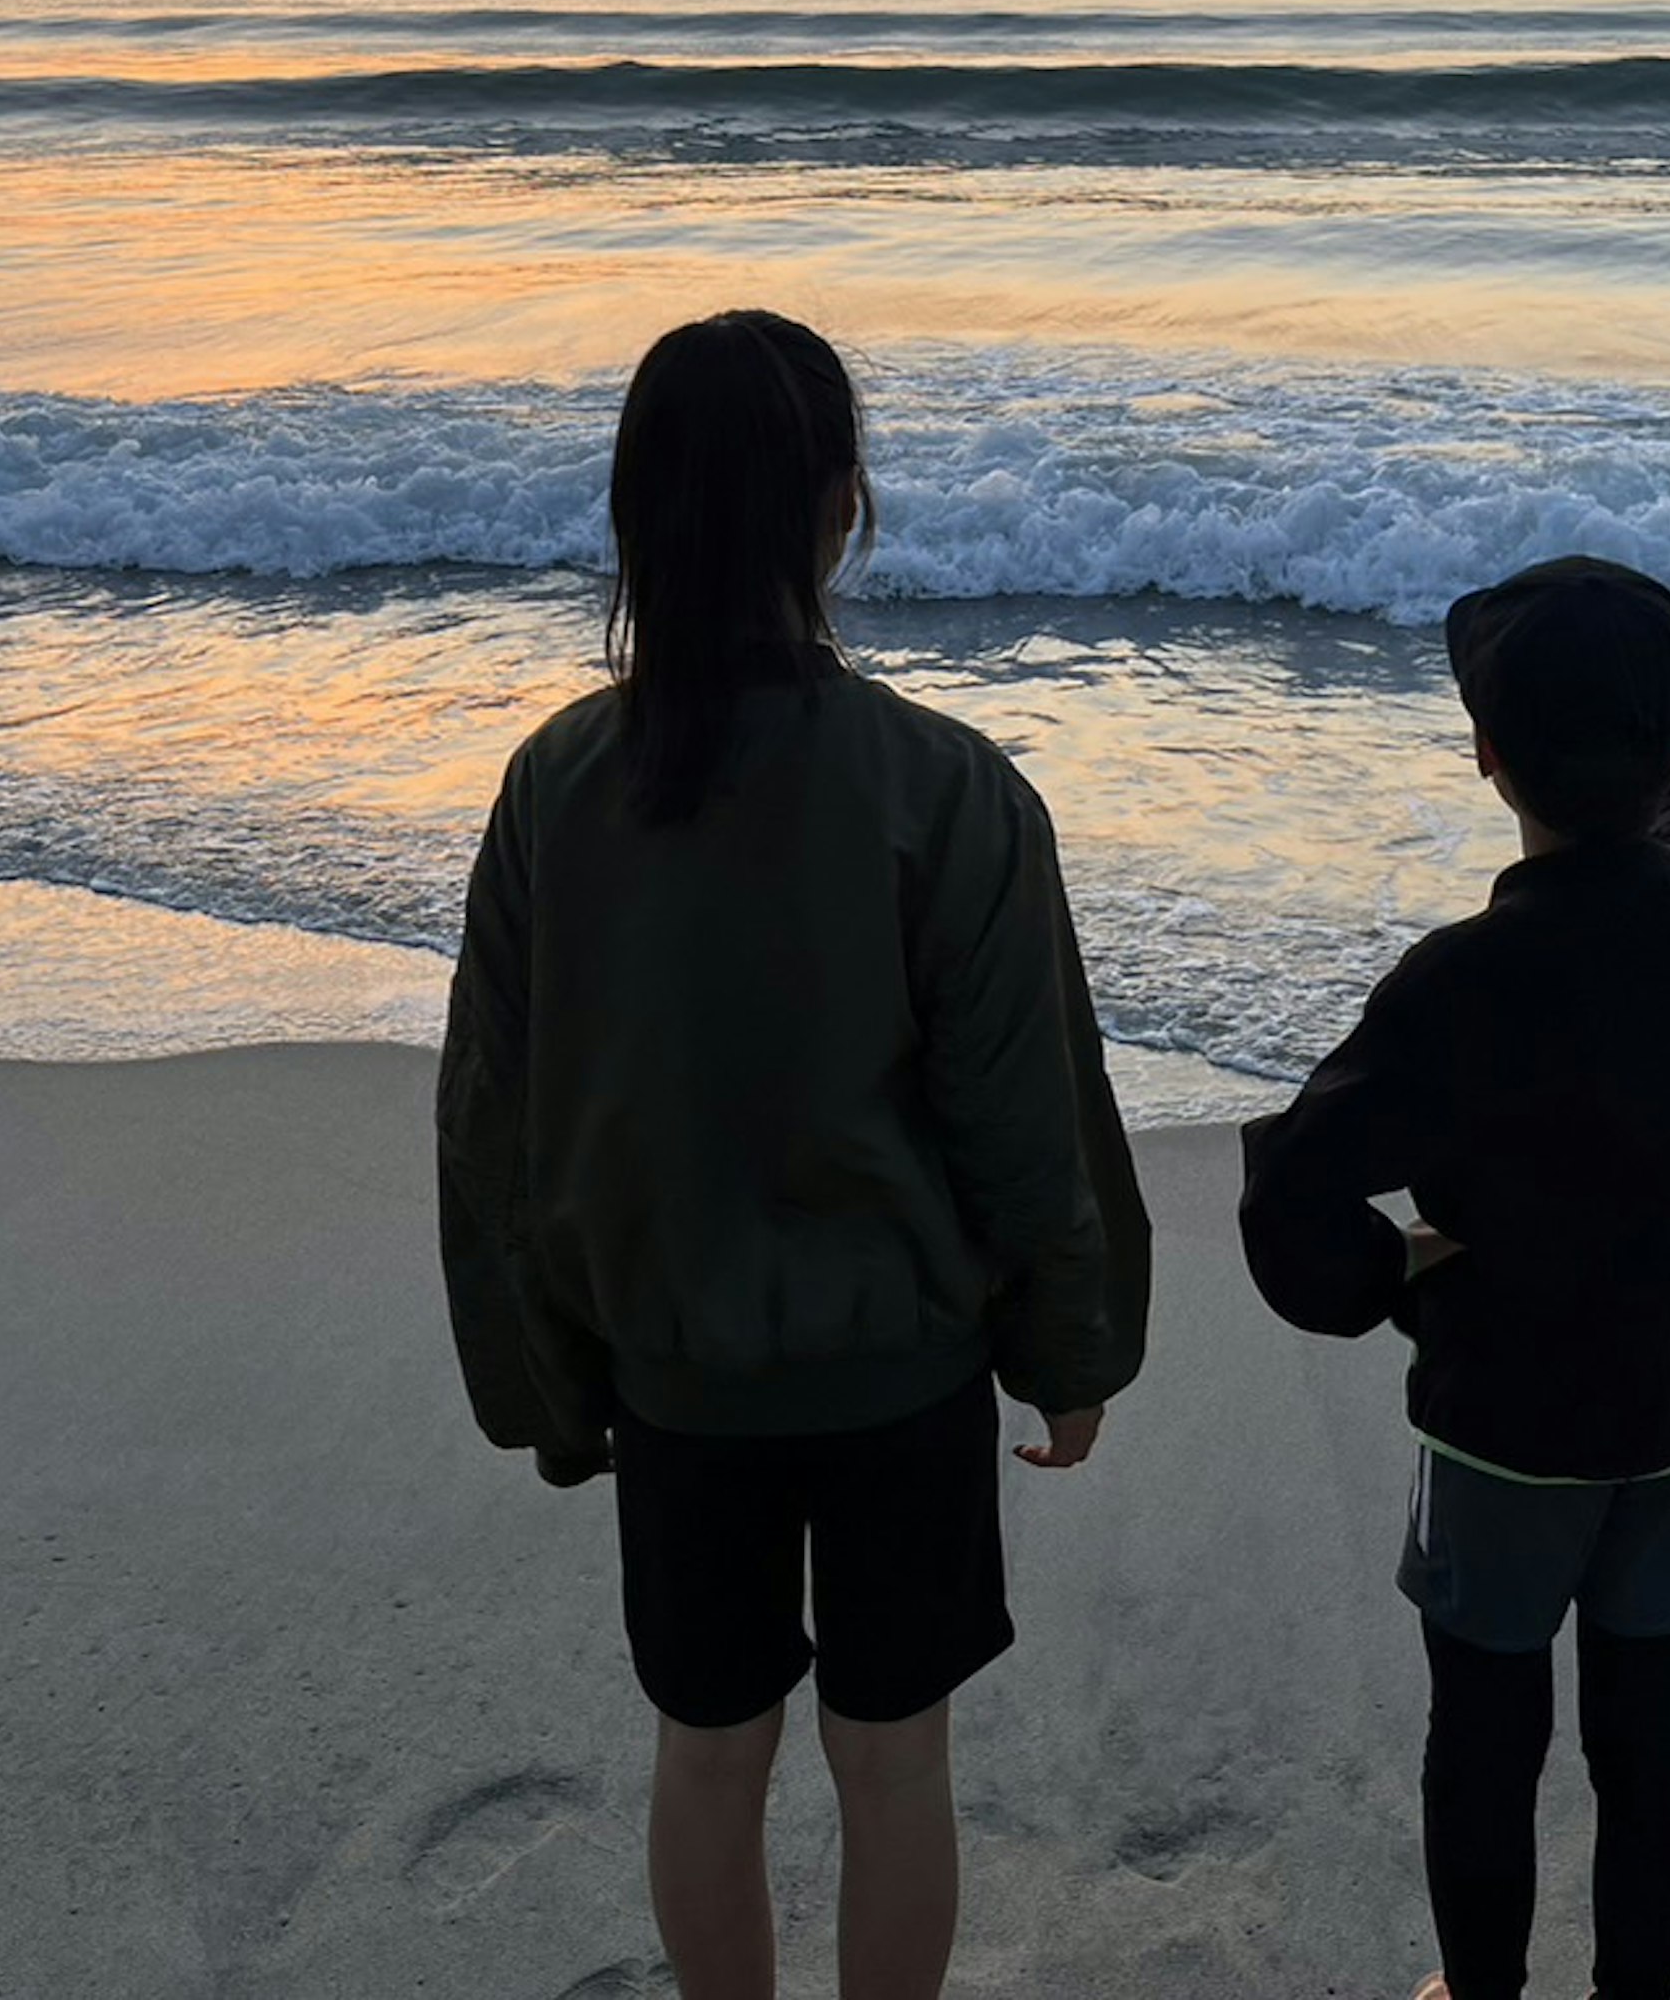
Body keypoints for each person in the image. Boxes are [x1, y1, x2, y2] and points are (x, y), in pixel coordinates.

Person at [437, 308, 1153, 2000]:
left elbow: (495, 1124)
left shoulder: (558, 786)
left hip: (677, 1379)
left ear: (637, 517)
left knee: (707, 1752)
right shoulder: (948, 789)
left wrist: (543, 1379)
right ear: (840, 505)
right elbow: (1022, 1117)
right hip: (898, 1375)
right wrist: (1071, 1353)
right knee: (894, 1760)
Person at [1237, 555, 1670, 2000]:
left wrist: (1388, 1274)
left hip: (1508, 1416)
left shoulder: (1459, 981)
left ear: (1486, 757)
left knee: (1486, 1734)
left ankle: (1482, 1995)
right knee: (1651, 1725)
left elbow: (1292, 1191)